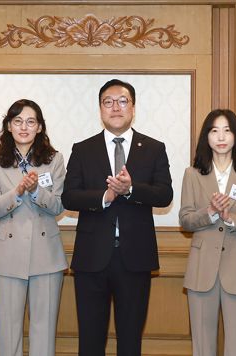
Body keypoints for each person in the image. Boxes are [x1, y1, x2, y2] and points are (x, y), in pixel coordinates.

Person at [62, 79, 173, 356]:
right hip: (91, 257)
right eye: (108, 102)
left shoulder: (153, 148)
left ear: (133, 107)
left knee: (130, 339)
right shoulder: (83, 148)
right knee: (90, 339)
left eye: (122, 101)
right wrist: (105, 197)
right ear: (100, 108)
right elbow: (69, 196)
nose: (115, 107)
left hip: (135, 257)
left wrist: (131, 190)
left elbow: (164, 194)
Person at [180, 109, 236, 356]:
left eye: (227, 130)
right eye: (214, 130)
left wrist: (232, 219)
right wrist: (209, 212)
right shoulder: (192, 173)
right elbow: (185, 220)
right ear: (206, 137)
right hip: (202, 267)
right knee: (202, 345)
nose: (221, 137)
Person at [0, 99, 67, 356]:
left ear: (39, 127)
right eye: (18, 121)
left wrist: (36, 191)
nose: (24, 127)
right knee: (8, 332)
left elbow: (59, 207)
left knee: (44, 330)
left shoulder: (54, 159)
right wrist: (18, 192)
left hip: (46, 254)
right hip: (7, 253)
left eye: (31, 121)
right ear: (9, 126)